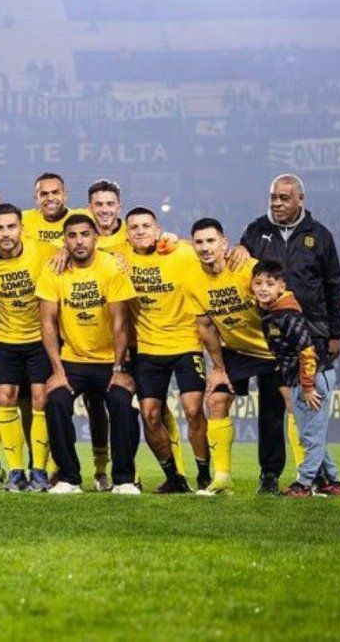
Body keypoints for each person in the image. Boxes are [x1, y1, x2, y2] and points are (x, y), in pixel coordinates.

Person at [231, 173, 340, 485]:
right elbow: (238, 265)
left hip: (314, 335)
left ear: (300, 200)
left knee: (310, 410)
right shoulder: (256, 231)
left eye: (284, 198)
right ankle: (270, 474)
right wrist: (240, 247)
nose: (277, 203)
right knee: (270, 407)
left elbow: (334, 285)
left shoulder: (319, 235)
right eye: (273, 198)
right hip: (274, 338)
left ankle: (321, 477)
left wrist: (336, 333)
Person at [36, 214, 140, 495]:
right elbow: (47, 322)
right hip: (73, 360)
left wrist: (119, 369)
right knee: (55, 401)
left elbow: (121, 322)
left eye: (84, 234)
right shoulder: (53, 270)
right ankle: (69, 478)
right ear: (64, 240)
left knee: (121, 402)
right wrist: (57, 371)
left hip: (109, 361)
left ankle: (124, 479)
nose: (79, 240)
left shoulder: (112, 267)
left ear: (96, 237)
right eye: (72, 235)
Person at [184, 218, 284, 496]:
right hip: (235, 350)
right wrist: (218, 367)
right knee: (216, 399)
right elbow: (205, 326)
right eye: (200, 242)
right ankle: (222, 478)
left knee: (273, 413)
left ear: (224, 243)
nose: (205, 248)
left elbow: (281, 301)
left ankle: (273, 477)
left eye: (211, 241)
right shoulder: (192, 279)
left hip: (270, 350)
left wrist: (287, 347)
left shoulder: (247, 268)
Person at [24, 173, 111, 490]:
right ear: (36, 197)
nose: (49, 197)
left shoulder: (82, 222)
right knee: (48, 399)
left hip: (95, 337)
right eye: (43, 193)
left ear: (65, 193)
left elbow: (118, 242)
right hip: (53, 335)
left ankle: (104, 470)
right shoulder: (24, 221)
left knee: (99, 405)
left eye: (55, 191)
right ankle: (51, 470)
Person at [118, 208, 210, 493]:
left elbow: (213, 249)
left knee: (194, 411)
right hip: (148, 348)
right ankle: (174, 477)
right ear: (127, 233)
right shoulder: (120, 257)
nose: (140, 231)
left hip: (186, 343)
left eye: (146, 226)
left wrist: (241, 249)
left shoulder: (180, 251)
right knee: (150, 415)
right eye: (134, 227)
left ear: (158, 230)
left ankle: (205, 474)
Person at [0, 203, 56, 492]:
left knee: (40, 399)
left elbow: (78, 247)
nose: (5, 233)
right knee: (5, 399)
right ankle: (16, 472)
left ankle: (41, 472)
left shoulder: (44, 251)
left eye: (11, 226)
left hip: (39, 341)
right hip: (4, 341)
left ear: (22, 228)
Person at [251, 260, 340, 497]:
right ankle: (332, 481)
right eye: (258, 283)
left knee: (311, 436)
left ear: (281, 287)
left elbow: (306, 350)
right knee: (308, 435)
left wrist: (308, 386)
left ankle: (303, 484)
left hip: (314, 378)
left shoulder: (288, 315)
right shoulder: (271, 313)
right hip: (299, 380)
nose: (263, 288)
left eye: (269, 284)